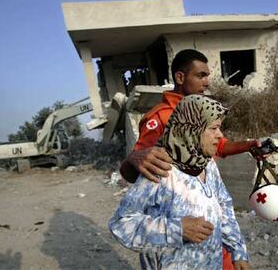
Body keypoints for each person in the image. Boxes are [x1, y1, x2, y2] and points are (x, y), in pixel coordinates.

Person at [119, 49, 261, 269]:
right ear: (180, 77)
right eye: (200, 75)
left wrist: (250, 145)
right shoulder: (160, 119)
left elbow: (223, 201)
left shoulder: (204, 131)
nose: (206, 81)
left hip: (207, 245)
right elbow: (142, 169)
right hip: (171, 248)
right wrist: (133, 160)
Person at [109, 95, 250, 270]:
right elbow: (121, 223)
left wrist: (238, 251)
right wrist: (178, 229)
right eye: (214, 128)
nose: (220, 135)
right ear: (192, 129)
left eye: (219, 128)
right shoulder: (161, 168)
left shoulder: (208, 165)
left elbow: (224, 207)